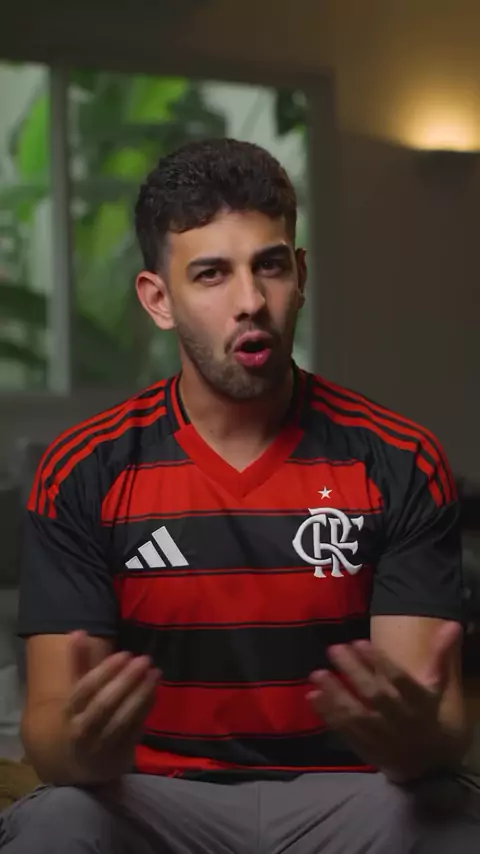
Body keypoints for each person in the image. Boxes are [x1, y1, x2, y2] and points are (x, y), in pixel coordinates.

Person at [0, 138, 478, 853]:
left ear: (300, 275)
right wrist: (81, 745)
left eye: (270, 267)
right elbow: (49, 730)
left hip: (351, 795)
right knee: (55, 823)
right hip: (155, 799)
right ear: (158, 299)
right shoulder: (83, 470)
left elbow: (435, 719)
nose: (251, 302)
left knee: (447, 820)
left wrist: (417, 740)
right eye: (212, 274)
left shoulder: (399, 459)